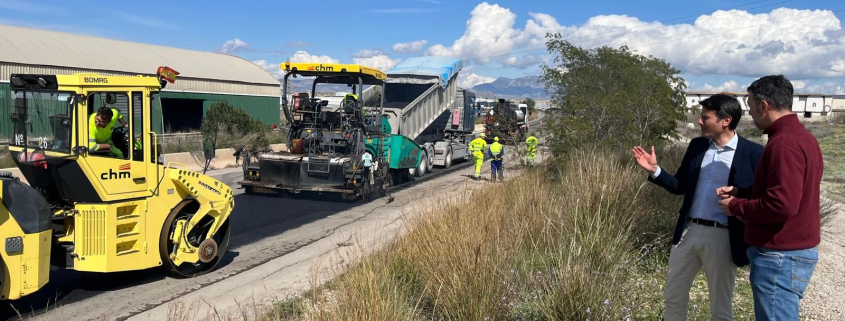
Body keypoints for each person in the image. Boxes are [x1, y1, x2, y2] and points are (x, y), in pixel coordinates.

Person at [632, 94, 763, 321]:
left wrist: (738, 197)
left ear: (726, 121)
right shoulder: (697, 146)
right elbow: (680, 186)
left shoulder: (753, 153)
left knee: (720, 307)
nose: (700, 122)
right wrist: (655, 171)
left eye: (705, 117)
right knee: (673, 297)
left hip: (723, 237)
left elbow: (759, 195)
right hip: (687, 233)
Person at [717, 75, 823, 321]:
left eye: (751, 106)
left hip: (779, 255)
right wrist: (742, 193)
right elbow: (790, 192)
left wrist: (736, 206)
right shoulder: (802, 138)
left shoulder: (783, 144)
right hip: (790, 252)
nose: (750, 113)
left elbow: (781, 205)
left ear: (764, 105)